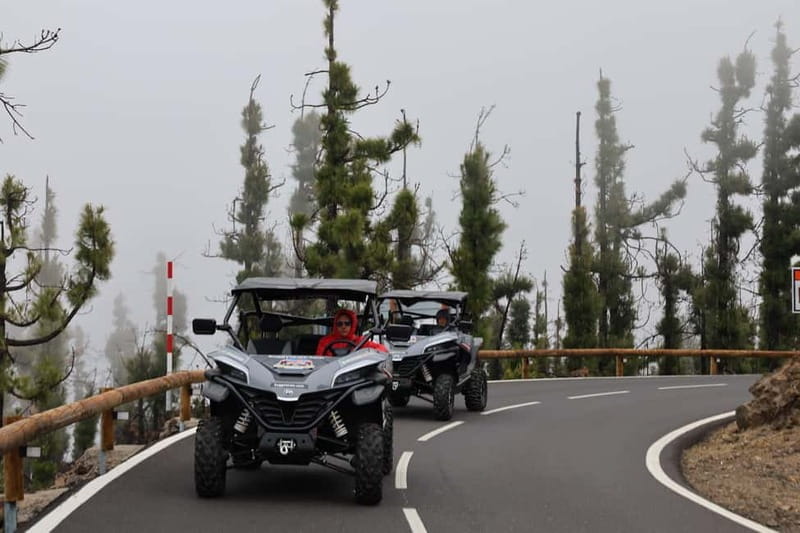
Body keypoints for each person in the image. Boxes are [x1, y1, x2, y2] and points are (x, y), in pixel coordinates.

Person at [316, 309, 387, 356]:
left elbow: (382, 349)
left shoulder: (360, 341)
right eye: (340, 324)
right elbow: (319, 361)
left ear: (352, 325)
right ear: (335, 325)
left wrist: (367, 356)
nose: (343, 327)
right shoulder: (325, 341)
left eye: (347, 323)